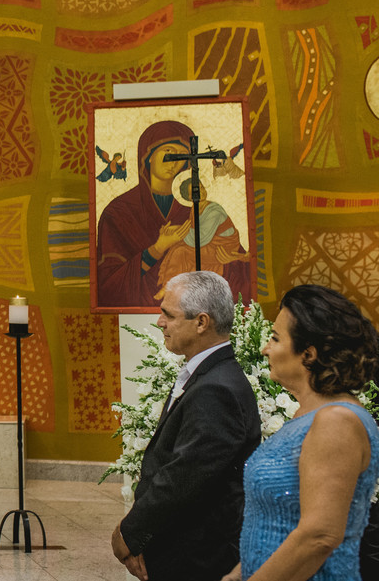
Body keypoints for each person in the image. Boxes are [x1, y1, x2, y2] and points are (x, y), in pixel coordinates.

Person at [223, 285, 379, 581]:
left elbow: (319, 536)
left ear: (308, 354)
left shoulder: (338, 421)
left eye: (275, 338)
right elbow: (282, 518)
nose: (264, 348)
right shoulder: (307, 415)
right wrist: (238, 573)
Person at [112, 270, 261, 581]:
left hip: (197, 555)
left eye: (168, 314)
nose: (159, 323)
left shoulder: (216, 388)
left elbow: (185, 474)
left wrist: (130, 530)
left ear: (201, 322)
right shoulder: (211, 374)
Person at [95, 120, 251, 309]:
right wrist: (157, 249)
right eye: (168, 151)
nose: (173, 161)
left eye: (180, 156)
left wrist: (225, 259)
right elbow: (108, 287)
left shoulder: (195, 208)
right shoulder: (119, 212)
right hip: (137, 320)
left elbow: (243, 274)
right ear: (149, 155)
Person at [155, 177, 248, 297]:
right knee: (177, 248)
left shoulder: (214, 211)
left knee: (181, 251)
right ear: (188, 197)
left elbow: (200, 238)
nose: (201, 192)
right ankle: (173, 287)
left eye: (202, 187)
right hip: (211, 243)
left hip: (224, 247)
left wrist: (177, 232)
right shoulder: (196, 208)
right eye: (195, 191)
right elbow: (194, 230)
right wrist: (174, 230)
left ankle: (169, 287)